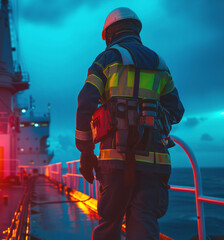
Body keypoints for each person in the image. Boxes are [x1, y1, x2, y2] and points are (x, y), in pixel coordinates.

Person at [75, 7, 184, 240]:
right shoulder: (160, 64)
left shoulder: (106, 59)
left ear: (110, 34)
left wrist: (85, 153)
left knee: (109, 221)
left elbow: (85, 103)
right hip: (155, 161)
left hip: (114, 160)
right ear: (136, 30)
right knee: (144, 221)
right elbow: (176, 110)